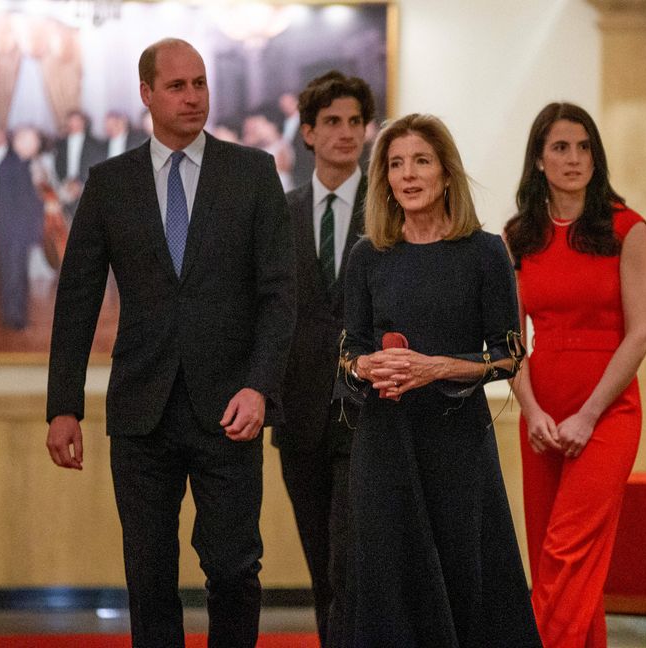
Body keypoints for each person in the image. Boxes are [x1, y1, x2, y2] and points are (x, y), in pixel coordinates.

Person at [45, 38, 295, 648]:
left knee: (235, 570)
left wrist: (260, 385)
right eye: (178, 86)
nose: (193, 97)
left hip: (231, 408)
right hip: (141, 411)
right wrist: (63, 406)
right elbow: (77, 299)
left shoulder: (253, 173)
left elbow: (279, 295)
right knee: (149, 577)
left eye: (201, 84)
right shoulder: (109, 184)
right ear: (147, 94)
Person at [338, 113, 541, 647]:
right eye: (396, 164)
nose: (408, 174)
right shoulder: (367, 255)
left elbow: (507, 358)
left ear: (446, 173)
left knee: (465, 573)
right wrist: (366, 366)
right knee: (388, 581)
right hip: (385, 443)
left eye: (421, 161)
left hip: (458, 442)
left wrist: (437, 367)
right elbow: (349, 354)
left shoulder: (485, 251)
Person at [504, 102, 646, 648]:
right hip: (541, 412)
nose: (574, 159)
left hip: (609, 411)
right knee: (552, 552)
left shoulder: (626, 228)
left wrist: (589, 415)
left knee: (568, 550)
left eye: (584, 146)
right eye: (560, 148)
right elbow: (509, 341)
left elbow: (640, 334)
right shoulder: (517, 236)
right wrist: (532, 409)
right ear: (539, 161)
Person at [275, 70, 373, 648]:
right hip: (299, 409)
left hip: (370, 412)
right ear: (308, 133)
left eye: (354, 122)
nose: (345, 133)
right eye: (332, 122)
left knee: (349, 560)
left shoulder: (390, 209)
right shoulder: (278, 212)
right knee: (321, 563)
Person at [0, 126, 45, 330]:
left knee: (18, 274)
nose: (37, 145)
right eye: (33, 141)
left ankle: (16, 314)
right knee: (12, 275)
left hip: (18, 230)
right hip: (12, 231)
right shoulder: (11, 164)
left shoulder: (22, 162)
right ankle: (13, 318)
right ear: (20, 142)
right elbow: (18, 201)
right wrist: (42, 202)